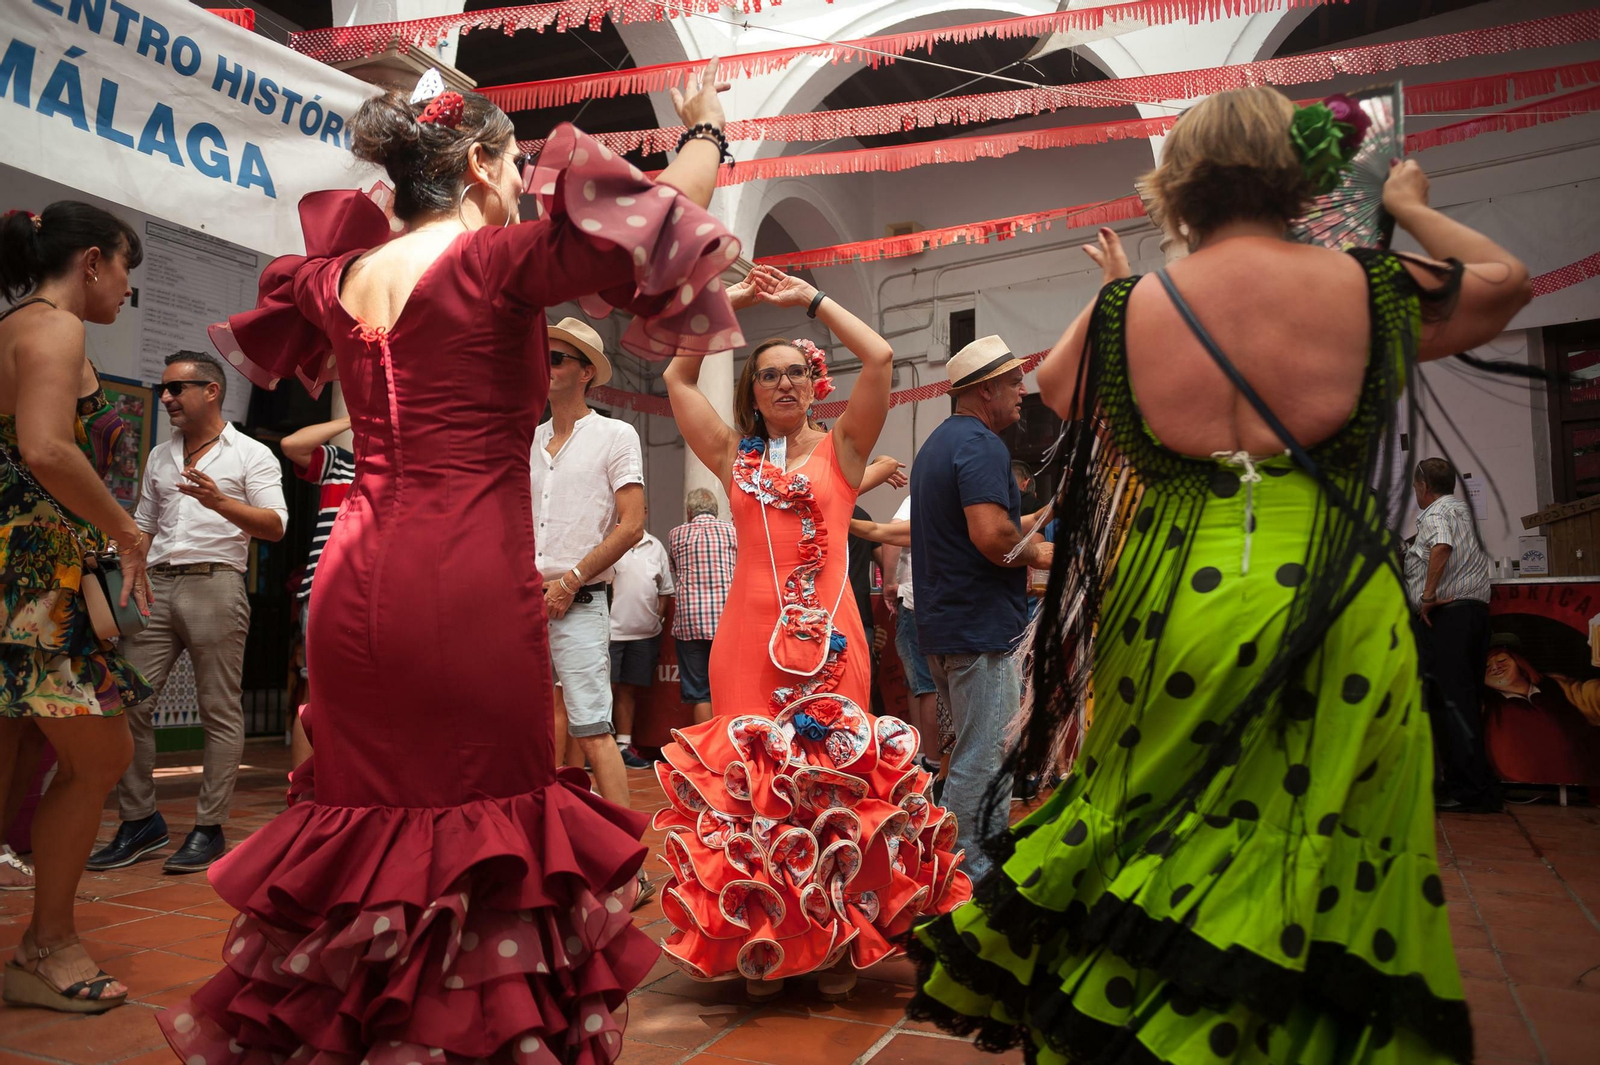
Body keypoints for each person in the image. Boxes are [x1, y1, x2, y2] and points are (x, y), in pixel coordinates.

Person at [908, 87, 1531, 1065]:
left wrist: (1128, 285)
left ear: (1179, 182)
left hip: (1175, 603)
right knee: (1317, 824)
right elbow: (1502, 281)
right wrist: (1404, 198)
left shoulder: (1130, 310)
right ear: (1299, 176)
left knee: (1160, 812)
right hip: (1330, 603)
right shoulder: (1364, 285)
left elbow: (1061, 388)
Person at [156, 64, 742, 1065]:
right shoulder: (489, 263)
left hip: (350, 586)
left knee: (370, 817)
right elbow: (657, 215)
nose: (519, 188)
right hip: (464, 582)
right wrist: (708, 132)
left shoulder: (338, 278)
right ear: (475, 165)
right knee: (481, 820)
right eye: (512, 168)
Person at [659, 264, 970, 1003]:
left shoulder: (845, 451)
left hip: (833, 642)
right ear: (753, 389)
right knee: (759, 793)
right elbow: (676, 377)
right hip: (745, 642)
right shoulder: (733, 457)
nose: (785, 384)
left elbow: (883, 360)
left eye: (797, 371)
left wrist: (812, 300)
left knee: (831, 785)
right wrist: (720, 303)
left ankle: (832, 942)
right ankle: (766, 942)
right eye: (769, 375)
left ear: (815, 380)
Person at [0, 201, 153, 1012]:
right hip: (32, 591)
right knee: (100, 756)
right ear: (92, 260)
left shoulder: (15, 323)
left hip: (22, 581)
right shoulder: (56, 325)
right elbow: (46, 446)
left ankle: (42, 941)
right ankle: (47, 941)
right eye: (128, 267)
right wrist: (125, 530)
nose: (129, 289)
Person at [86, 350, 288, 876]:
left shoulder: (251, 455)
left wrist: (221, 503)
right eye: (164, 389)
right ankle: (140, 821)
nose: (167, 398)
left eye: (176, 389)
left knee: (218, 710)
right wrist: (130, 561)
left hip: (215, 585)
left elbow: (274, 525)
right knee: (129, 702)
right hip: (155, 586)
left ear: (211, 391)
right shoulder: (160, 455)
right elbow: (145, 521)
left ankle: (208, 828)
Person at [910, 335, 1054, 880]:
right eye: (1015, 381)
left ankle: (956, 867)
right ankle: (968, 876)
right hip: (980, 629)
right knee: (983, 758)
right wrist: (1044, 552)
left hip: (949, 627)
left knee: (971, 752)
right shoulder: (982, 446)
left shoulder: (941, 444)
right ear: (985, 388)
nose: (1023, 391)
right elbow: (994, 539)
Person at [532, 316, 645, 808]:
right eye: (542, 356)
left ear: (585, 373)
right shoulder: (528, 440)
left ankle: (627, 863)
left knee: (595, 728)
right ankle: (542, 846)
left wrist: (571, 581)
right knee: (524, 729)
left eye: (556, 358)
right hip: (522, 602)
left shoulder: (615, 435)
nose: (545, 366)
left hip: (579, 599)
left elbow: (633, 524)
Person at [1404, 456, 1496, 811]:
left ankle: (1467, 791)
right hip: (1473, 614)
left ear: (1423, 488)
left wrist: (1427, 596)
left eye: (1415, 488)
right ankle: (1478, 788)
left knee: (1450, 704)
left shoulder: (1437, 513)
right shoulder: (1461, 509)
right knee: (1467, 702)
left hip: (1447, 617)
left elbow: (1441, 546)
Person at [279, 415, 354, 769]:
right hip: (324, 591)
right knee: (315, 693)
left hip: (383, 594)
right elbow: (292, 445)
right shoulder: (341, 463)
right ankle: (302, 797)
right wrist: (355, 417)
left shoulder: (418, 473)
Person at [1481, 634, 1600, 787]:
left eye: (1501, 660)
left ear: (1519, 661)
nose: (1495, 667)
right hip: (1518, 790)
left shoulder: (1554, 685)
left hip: (1586, 781)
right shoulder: (1486, 706)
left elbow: (1589, 695)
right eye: (1486, 666)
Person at [609, 501, 674, 770]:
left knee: (628, 691)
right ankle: (596, 751)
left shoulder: (655, 546)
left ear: (645, 513)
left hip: (644, 634)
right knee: (604, 692)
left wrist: (657, 618)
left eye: (640, 509)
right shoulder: (608, 544)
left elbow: (665, 590)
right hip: (609, 633)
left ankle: (623, 746)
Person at [667, 487, 736, 723]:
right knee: (728, 688)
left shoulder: (676, 534)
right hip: (726, 622)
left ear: (689, 512)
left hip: (690, 623)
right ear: (716, 511)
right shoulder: (731, 531)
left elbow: (674, 570)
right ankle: (728, 747)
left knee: (699, 693)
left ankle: (704, 753)